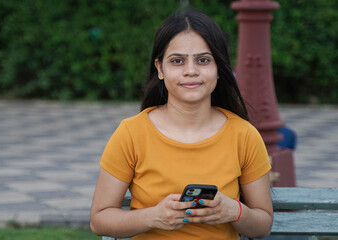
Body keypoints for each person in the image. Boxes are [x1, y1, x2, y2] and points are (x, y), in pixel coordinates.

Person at [90, 9, 273, 240]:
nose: (191, 71)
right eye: (177, 61)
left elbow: (262, 226)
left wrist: (235, 211)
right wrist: (153, 216)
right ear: (159, 68)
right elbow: (99, 219)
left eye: (203, 60)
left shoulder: (244, 135)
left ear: (219, 69)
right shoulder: (131, 133)